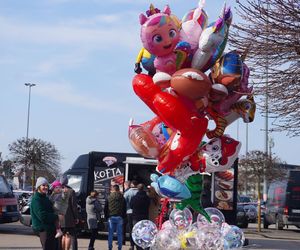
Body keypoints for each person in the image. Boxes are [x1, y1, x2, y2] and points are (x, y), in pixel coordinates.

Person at [30, 177, 58, 250]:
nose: (46, 187)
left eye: (47, 185)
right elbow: (42, 216)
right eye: (43, 185)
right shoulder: (36, 199)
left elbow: (51, 210)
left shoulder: (45, 198)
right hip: (43, 229)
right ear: (38, 187)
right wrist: (56, 216)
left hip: (50, 228)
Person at [60, 175, 79, 250]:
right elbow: (74, 206)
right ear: (67, 181)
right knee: (68, 236)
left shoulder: (57, 191)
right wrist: (76, 217)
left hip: (60, 217)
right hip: (68, 217)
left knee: (63, 235)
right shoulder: (71, 191)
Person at [104, 184, 126, 250]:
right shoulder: (122, 197)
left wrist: (106, 216)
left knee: (110, 234)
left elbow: (106, 208)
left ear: (112, 189)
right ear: (118, 189)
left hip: (111, 217)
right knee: (119, 234)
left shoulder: (109, 197)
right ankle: (119, 247)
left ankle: (110, 247)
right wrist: (123, 216)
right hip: (119, 217)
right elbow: (124, 207)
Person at [130, 183, 150, 250]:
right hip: (144, 217)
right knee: (144, 234)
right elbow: (149, 206)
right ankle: (144, 246)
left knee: (137, 234)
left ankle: (138, 247)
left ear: (137, 189)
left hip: (136, 217)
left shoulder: (134, 198)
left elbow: (131, 206)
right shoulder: (147, 198)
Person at [124, 180, 138, 250]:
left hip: (129, 212)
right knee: (137, 229)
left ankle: (131, 245)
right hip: (137, 213)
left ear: (132, 184)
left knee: (131, 229)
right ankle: (138, 245)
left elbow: (124, 201)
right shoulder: (139, 192)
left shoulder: (127, 192)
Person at [122, 180, 131, 246]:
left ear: (126, 185)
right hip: (132, 212)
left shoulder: (126, 192)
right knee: (131, 227)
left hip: (126, 211)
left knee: (123, 227)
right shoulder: (132, 191)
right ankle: (132, 243)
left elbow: (123, 202)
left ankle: (123, 241)